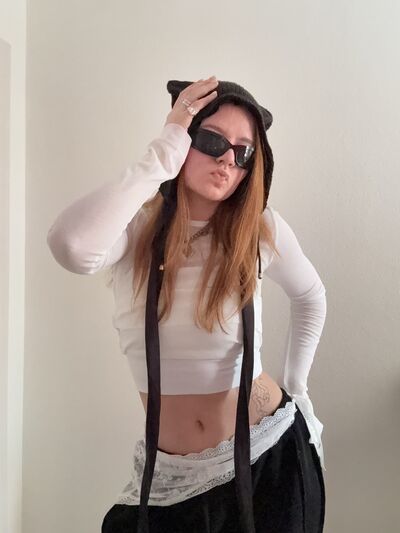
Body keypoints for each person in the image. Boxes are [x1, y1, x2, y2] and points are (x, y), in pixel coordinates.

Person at [47, 76, 327, 532]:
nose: (227, 159)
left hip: (269, 460)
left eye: (243, 152)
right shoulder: (133, 231)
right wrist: (165, 149)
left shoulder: (260, 230)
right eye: (212, 140)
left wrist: (299, 389)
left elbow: (311, 296)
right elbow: (71, 246)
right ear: (183, 139)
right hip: (171, 478)